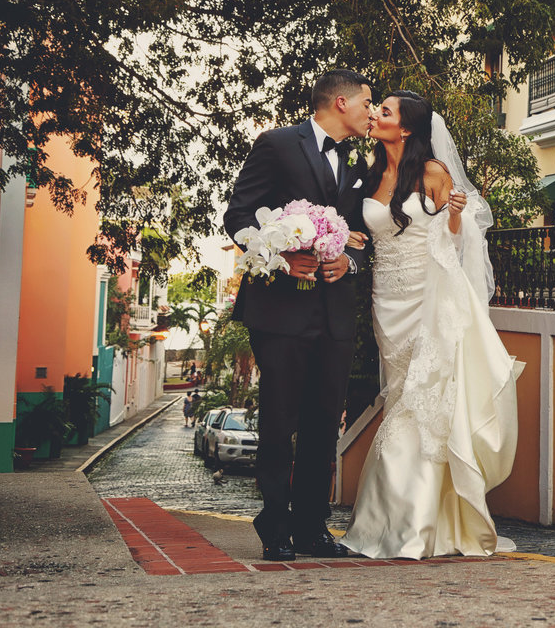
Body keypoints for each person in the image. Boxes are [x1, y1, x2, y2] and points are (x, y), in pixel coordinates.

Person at [341, 90, 523, 559]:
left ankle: (410, 526)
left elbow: (455, 242)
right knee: (401, 393)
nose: (375, 114)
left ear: (404, 128)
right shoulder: (365, 176)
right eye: (376, 108)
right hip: (387, 300)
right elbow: (356, 230)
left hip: (429, 295)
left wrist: (457, 217)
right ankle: (410, 521)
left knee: (422, 401)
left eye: (385, 111)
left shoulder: (433, 174)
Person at [223, 69, 372, 562]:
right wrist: (282, 258)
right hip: (280, 310)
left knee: (323, 423)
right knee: (280, 418)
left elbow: (364, 239)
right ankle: (275, 528)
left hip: (334, 315)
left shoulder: (358, 162)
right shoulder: (277, 145)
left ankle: (313, 528)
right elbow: (238, 216)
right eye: (367, 102)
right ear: (342, 102)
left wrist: (348, 261)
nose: (372, 112)